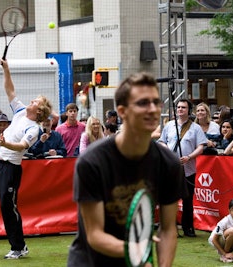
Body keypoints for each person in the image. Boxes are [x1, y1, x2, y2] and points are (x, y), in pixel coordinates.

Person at [67, 72, 184, 267]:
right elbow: (95, 235)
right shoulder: (92, 162)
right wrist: (136, 252)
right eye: (143, 103)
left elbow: (167, 229)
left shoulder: (169, 163)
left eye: (156, 102)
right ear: (122, 111)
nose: (153, 109)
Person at [0, 59, 53, 259]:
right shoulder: (21, 111)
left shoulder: (34, 129)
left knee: (7, 206)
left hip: (11, 169)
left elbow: (22, 146)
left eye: (36, 101)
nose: (32, 101)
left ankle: (19, 247)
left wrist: (4, 145)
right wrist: (6, 69)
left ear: (39, 111)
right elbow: (10, 91)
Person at [158, 98, 207, 237]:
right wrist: (168, 152)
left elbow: (201, 147)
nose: (180, 110)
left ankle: (188, 227)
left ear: (188, 110)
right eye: (178, 107)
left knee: (187, 199)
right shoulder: (169, 126)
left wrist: (189, 157)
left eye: (183, 107)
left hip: (188, 169)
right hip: (171, 169)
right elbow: (161, 141)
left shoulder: (195, 128)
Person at [208, 198, 233, 263]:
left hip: (230, 240)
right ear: (229, 211)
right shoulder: (225, 221)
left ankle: (230, 255)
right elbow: (214, 240)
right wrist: (224, 254)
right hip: (217, 241)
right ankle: (224, 256)